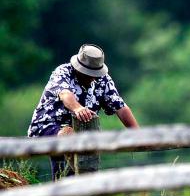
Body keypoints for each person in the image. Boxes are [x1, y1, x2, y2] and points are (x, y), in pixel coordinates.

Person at [28, 44, 139, 180]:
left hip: (80, 136)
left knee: (79, 151)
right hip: (47, 127)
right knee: (68, 136)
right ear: (78, 69)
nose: (93, 78)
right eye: (89, 74)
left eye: (95, 74)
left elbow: (121, 107)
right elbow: (65, 94)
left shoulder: (103, 79)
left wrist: (138, 134)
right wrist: (77, 108)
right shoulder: (63, 72)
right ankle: (72, 189)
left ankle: (77, 191)